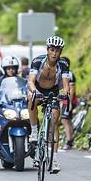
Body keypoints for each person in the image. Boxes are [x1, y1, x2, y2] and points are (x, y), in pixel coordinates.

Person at [27, 36, 70, 173]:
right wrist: (35, 92)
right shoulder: (38, 61)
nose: (54, 53)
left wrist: (64, 93)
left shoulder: (63, 64)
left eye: (57, 51)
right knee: (31, 98)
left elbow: (66, 85)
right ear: (47, 49)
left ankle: (54, 159)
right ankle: (34, 131)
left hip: (53, 92)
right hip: (38, 89)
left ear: (60, 51)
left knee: (54, 120)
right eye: (52, 50)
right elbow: (30, 82)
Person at [60, 57, 78, 150]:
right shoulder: (66, 73)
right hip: (66, 100)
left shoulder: (69, 74)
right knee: (68, 120)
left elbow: (72, 90)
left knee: (65, 121)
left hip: (69, 100)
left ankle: (69, 142)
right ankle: (70, 140)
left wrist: (69, 103)